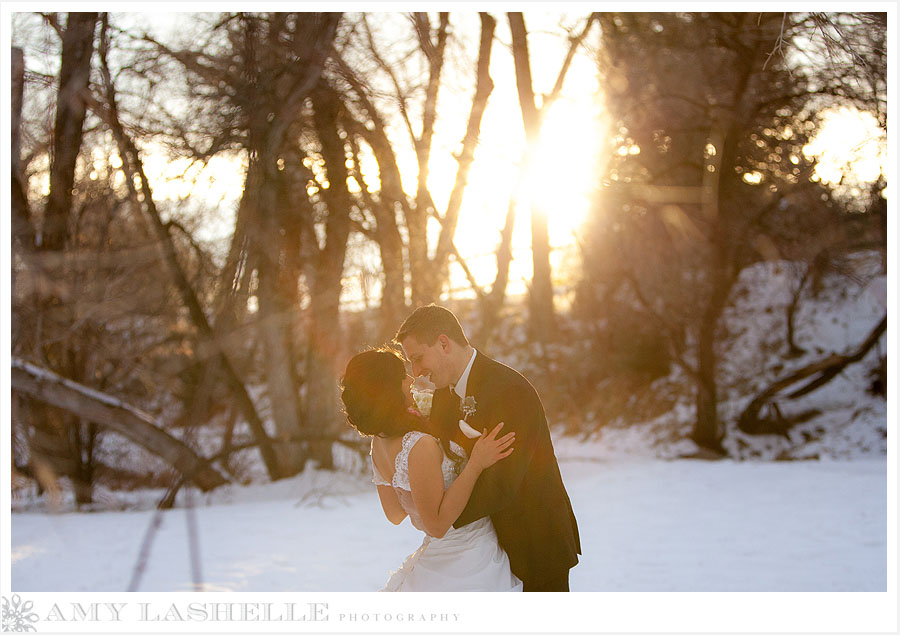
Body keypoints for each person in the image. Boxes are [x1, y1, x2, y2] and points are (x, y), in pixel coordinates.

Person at [396, 304, 581, 592]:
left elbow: (503, 482)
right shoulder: (444, 396)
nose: (417, 371)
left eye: (418, 359)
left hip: (535, 545)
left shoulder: (509, 390)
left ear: (443, 343)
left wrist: (441, 517)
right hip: (486, 552)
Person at [340, 348, 523, 591]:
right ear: (389, 388)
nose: (411, 380)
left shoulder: (379, 442)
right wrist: (476, 463)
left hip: (439, 558)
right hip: (469, 558)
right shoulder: (419, 444)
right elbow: (437, 526)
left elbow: (395, 513)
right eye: (403, 376)